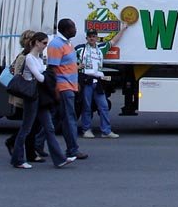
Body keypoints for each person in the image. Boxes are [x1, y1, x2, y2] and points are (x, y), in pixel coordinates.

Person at [10, 32, 74, 169]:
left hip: (39, 96)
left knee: (49, 127)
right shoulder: (29, 58)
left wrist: (46, 75)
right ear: (37, 43)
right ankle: (18, 159)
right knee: (26, 128)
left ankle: (59, 159)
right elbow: (40, 78)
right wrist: (47, 75)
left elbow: (43, 75)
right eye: (44, 43)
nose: (45, 46)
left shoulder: (38, 58)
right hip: (32, 96)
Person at [77, 24, 127, 139]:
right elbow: (69, 59)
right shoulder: (80, 48)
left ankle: (106, 131)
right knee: (87, 106)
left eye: (94, 36)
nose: (92, 38)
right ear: (86, 38)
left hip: (98, 81)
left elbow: (114, 41)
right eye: (90, 36)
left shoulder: (101, 48)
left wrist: (123, 29)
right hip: (86, 80)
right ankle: (86, 129)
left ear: (97, 37)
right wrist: (76, 66)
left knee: (103, 106)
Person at [47, 18, 87, 161]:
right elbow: (53, 69)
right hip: (63, 87)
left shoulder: (67, 43)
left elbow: (69, 66)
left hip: (70, 85)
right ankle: (72, 150)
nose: (75, 30)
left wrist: (76, 83)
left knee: (54, 118)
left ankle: (37, 145)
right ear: (65, 30)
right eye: (73, 27)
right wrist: (56, 89)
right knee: (69, 119)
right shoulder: (57, 45)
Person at [4, 29, 46, 162]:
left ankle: (29, 150)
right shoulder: (24, 57)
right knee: (29, 126)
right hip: (26, 94)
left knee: (32, 125)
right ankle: (24, 150)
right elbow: (19, 77)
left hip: (32, 93)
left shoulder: (34, 56)